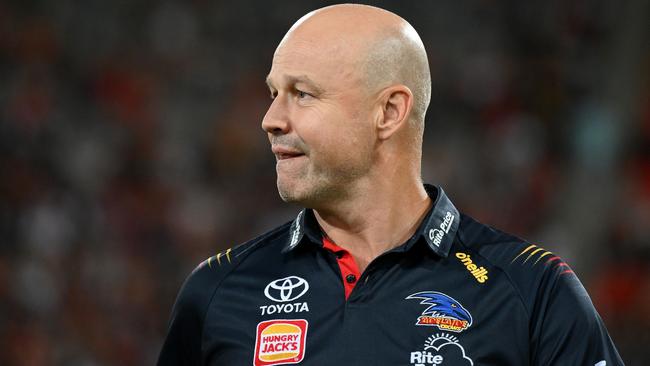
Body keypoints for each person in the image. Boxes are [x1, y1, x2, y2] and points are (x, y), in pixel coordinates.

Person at [158, 4, 624, 366]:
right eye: (273, 93)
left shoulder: (532, 291)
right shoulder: (218, 289)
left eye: (302, 94)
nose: (270, 119)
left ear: (389, 112)